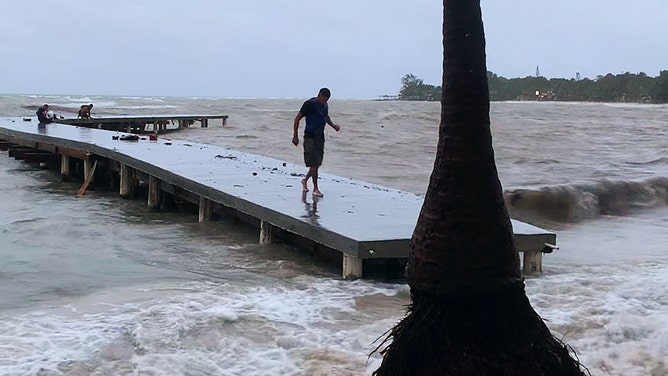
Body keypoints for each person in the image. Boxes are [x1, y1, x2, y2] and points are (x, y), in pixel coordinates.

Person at [292, 87, 341, 197]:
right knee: (313, 164)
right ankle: (315, 188)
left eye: (327, 100)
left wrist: (333, 126)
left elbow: (325, 117)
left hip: (320, 137)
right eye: (324, 99)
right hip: (310, 136)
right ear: (319, 95)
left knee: (317, 164)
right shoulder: (309, 104)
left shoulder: (325, 105)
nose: (325, 101)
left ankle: (305, 180)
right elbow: (297, 119)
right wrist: (295, 136)